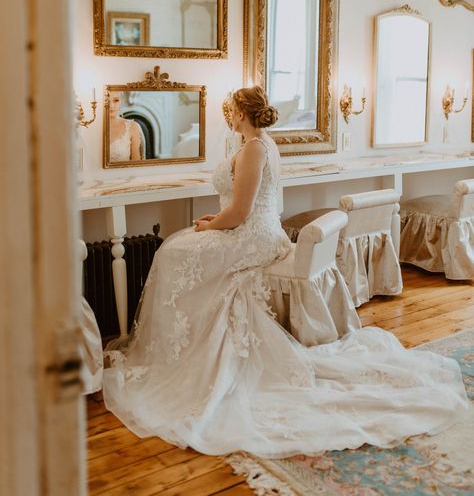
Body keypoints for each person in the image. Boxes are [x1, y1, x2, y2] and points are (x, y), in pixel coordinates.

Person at [102, 86, 468, 458]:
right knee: (177, 250)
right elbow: (241, 205)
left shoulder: (254, 149)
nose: (228, 117)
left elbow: (242, 212)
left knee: (174, 253)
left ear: (240, 114)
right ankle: (187, 339)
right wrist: (217, 219)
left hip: (252, 236)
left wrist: (211, 227)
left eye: (230, 111)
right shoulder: (261, 144)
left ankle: (184, 350)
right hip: (250, 228)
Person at [109, 91, 144, 162]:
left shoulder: (133, 127)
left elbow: (138, 165)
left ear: (121, 101)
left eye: (116, 100)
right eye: (106, 100)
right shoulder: (93, 128)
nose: (111, 106)